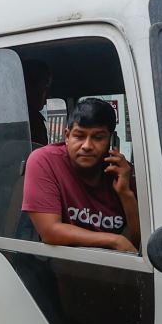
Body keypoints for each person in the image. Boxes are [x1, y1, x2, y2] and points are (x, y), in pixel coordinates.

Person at [20, 97, 137, 253]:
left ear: (111, 140)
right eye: (79, 136)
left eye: (98, 137)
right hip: (60, 266)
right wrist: (115, 241)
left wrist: (125, 193)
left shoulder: (122, 171)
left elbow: (138, 242)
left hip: (114, 270)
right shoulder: (45, 160)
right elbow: (50, 232)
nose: (87, 146)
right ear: (67, 136)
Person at [23, 59, 53, 146]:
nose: (48, 96)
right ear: (28, 87)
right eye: (45, 87)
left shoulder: (32, 118)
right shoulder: (31, 121)